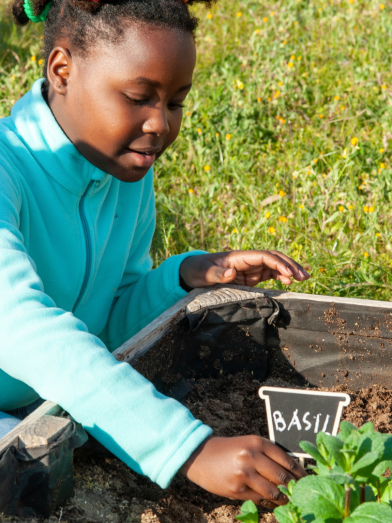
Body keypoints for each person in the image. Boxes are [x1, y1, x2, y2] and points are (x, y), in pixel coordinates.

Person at [0, 0, 309, 508]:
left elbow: (105, 321)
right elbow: (22, 327)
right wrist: (189, 449)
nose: (160, 125)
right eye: (140, 97)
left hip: (41, 410)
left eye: (175, 102)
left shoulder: (122, 175)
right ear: (62, 70)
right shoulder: (9, 171)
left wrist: (182, 279)